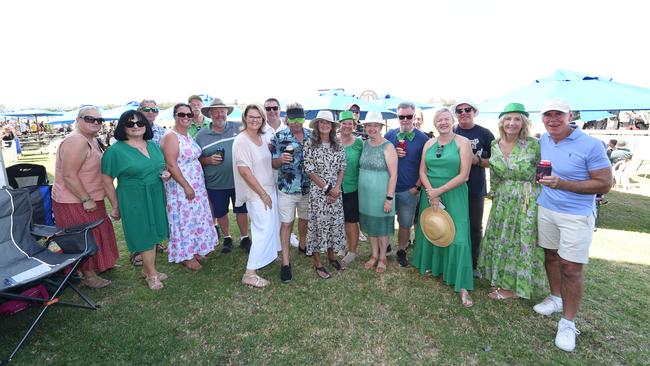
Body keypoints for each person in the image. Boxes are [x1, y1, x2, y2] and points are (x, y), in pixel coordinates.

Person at [534, 99, 612, 352]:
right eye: (548, 115)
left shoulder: (591, 145)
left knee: (571, 268)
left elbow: (604, 184)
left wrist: (563, 184)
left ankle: (568, 323)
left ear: (570, 117)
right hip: (547, 208)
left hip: (576, 215)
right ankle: (555, 298)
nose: (553, 119)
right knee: (551, 256)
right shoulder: (544, 140)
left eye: (558, 115)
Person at [477, 103, 546, 300]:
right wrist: (495, 193)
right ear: (501, 122)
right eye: (508, 119)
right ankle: (501, 278)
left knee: (521, 241)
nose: (512, 123)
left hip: (526, 199)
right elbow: (495, 174)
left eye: (517, 119)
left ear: (524, 123)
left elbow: (544, 173)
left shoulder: (534, 145)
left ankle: (516, 287)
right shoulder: (494, 145)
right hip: (503, 199)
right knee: (502, 239)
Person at [412, 107, 474, 307]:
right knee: (433, 229)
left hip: (454, 193)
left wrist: (440, 191)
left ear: (452, 120)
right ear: (435, 123)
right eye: (439, 120)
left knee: (458, 236)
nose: (443, 123)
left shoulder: (462, 143)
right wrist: (431, 191)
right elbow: (422, 170)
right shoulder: (429, 143)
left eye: (446, 119)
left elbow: (464, 175)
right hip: (430, 194)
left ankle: (462, 283)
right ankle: (433, 267)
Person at [51, 106, 119, 288]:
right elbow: (69, 175)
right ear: (78, 119)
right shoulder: (76, 141)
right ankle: (88, 275)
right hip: (75, 201)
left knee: (97, 232)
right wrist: (85, 199)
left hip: (91, 198)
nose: (96, 123)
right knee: (84, 238)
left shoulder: (92, 140)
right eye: (90, 119)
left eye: (99, 120)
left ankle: (97, 267)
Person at [101, 110, 169, 290]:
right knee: (143, 234)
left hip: (155, 193)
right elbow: (107, 179)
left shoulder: (153, 145)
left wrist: (165, 175)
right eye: (130, 124)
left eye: (140, 123)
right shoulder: (115, 151)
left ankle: (147, 270)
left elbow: (160, 167)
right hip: (133, 196)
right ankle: (152, 275)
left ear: (146, 125)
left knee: (154, 233)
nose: (136, 127)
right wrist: (115, 205)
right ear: (123, 127)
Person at [160, 103, 218, 271]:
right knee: (184, 220)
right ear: (174, 115)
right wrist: (186, 186)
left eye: (189, 115)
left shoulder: (186, 135)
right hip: (181, 185)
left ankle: (196, 248)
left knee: (195, 217)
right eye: (181, 114)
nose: (185, 117)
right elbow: (171, 164)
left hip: (196, 183)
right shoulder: (171, 136)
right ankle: (186, 255)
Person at [233, 104, 281, 288]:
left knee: (270, 227)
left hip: (269, 188)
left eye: (258, 117)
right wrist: (262, 194)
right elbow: (244, 171)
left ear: (262, 119)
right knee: (261, 231)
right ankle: (250, 273)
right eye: (251, 116)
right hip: (256, 193)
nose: (255, 120)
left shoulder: (261, 137)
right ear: (245, 118)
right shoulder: (241, 140)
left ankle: (267, 257)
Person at [196, 98, 250, 254]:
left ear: (227, 112)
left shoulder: (238, 127)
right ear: (210, 114)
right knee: (221, 211)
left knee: (241, 210)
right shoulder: (201, 135)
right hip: (215, 183)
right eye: (216, 112)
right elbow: (195, 158)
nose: (220, 115)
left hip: (238, 180)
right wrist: (207, 160)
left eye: (222, 111)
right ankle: (227, 237)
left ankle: (245, 237)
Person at [384, 102, 429, 267]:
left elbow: (426, 166)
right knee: (387, 220)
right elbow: (380, 159)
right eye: (401, 116)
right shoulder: (389, 135)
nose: (405, 120)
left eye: (408, 116)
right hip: (389, 188)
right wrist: (392, 154)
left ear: (413, 116)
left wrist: (416, 187)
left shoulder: (424, 139)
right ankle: (386, 245)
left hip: (409, 190)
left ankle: (402, 249)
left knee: (405, 223)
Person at [452, 99, 495, 275]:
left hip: (475, 187)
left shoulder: (485, 134)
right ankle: (453, 259)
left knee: (475, 226)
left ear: (474, 111)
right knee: (453, 223)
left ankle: (473, 262)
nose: (463, 113)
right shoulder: (452, 131)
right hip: (453, 186)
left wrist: (476, 160)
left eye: (467, 109)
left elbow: (494, 162)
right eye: (459, 110)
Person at [303, 111, 346, 279]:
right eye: (321, 122)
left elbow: (343, 166)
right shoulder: (310, 144)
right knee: (318, 225)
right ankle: (318, 262)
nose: (325, 125)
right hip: (319, 193)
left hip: (336, 192)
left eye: (328, 122)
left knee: (333, 224)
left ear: (333, 126)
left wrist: (336, 189)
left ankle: (331, 256)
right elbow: (309, 169)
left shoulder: (338, 144)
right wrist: (328, 189)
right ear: (317, 125)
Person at [270, 103, 311, 282]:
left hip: (308, 187)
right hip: (287, 188)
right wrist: (280, 159)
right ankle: (286, 263)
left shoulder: (312, 135)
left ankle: (303, 244)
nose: (296, 123)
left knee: (305, 219)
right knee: (286, 224)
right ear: (287, 119)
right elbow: (273, 164)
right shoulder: (280, 136)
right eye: (292, 119)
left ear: (304, 118)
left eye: (299, 119)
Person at [358, 111, 397, 273]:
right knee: (371, 226)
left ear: (381, 127)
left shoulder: (388, 146)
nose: (372, 128)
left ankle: (382, 257)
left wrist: (389, 198)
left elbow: (394, 174)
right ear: (365, 127)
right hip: (365, 196)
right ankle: (373, 255)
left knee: (381, 227)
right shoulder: (364, 144)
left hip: (382, 194)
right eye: (368, 125)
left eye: (375, 125)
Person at [338, 111, 363, 267]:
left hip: (352, 187)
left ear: (354, 126)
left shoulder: (359, 143)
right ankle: (340, 246)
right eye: (344, 123)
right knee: (337, 219)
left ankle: (352, 251)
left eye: (350, 123)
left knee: (351, 221)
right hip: (334, 188)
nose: (347, 126)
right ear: (339, 125)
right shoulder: (332, 141)